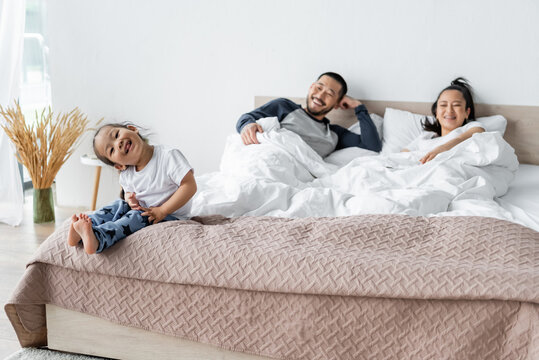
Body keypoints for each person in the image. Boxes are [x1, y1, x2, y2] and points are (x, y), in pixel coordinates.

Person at [67, 123, 197, 254]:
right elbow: (128, 192)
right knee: (118, 205)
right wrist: (129, 199)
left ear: (133, 129)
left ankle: (98, 238)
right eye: (111, 150)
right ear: (119, 166)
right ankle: (86, 227)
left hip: (170, 215)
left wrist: (163, 210)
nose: (118, 143)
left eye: (117, 135)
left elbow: (189, 185)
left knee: (134, 217)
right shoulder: (127, 174)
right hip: (143, 209)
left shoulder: (168, 156)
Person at [236, 72, 382, 158]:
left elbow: (372, 145)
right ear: (311, 87)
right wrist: (248, 125)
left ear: (337, 103)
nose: (319, 95)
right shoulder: (284, 106)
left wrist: (359, 107)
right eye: (318, 88)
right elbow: (246, 118)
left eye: (330, 94)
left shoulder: (334, 134)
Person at [402, 77, 485, 164]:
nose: (449, 110)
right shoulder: (426, 136)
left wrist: (442, 149)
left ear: (467, 112)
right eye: (443, 105)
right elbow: (401, 156)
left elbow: (478, 132)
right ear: (436, 112)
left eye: (456, 105)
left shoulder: (470, 128)